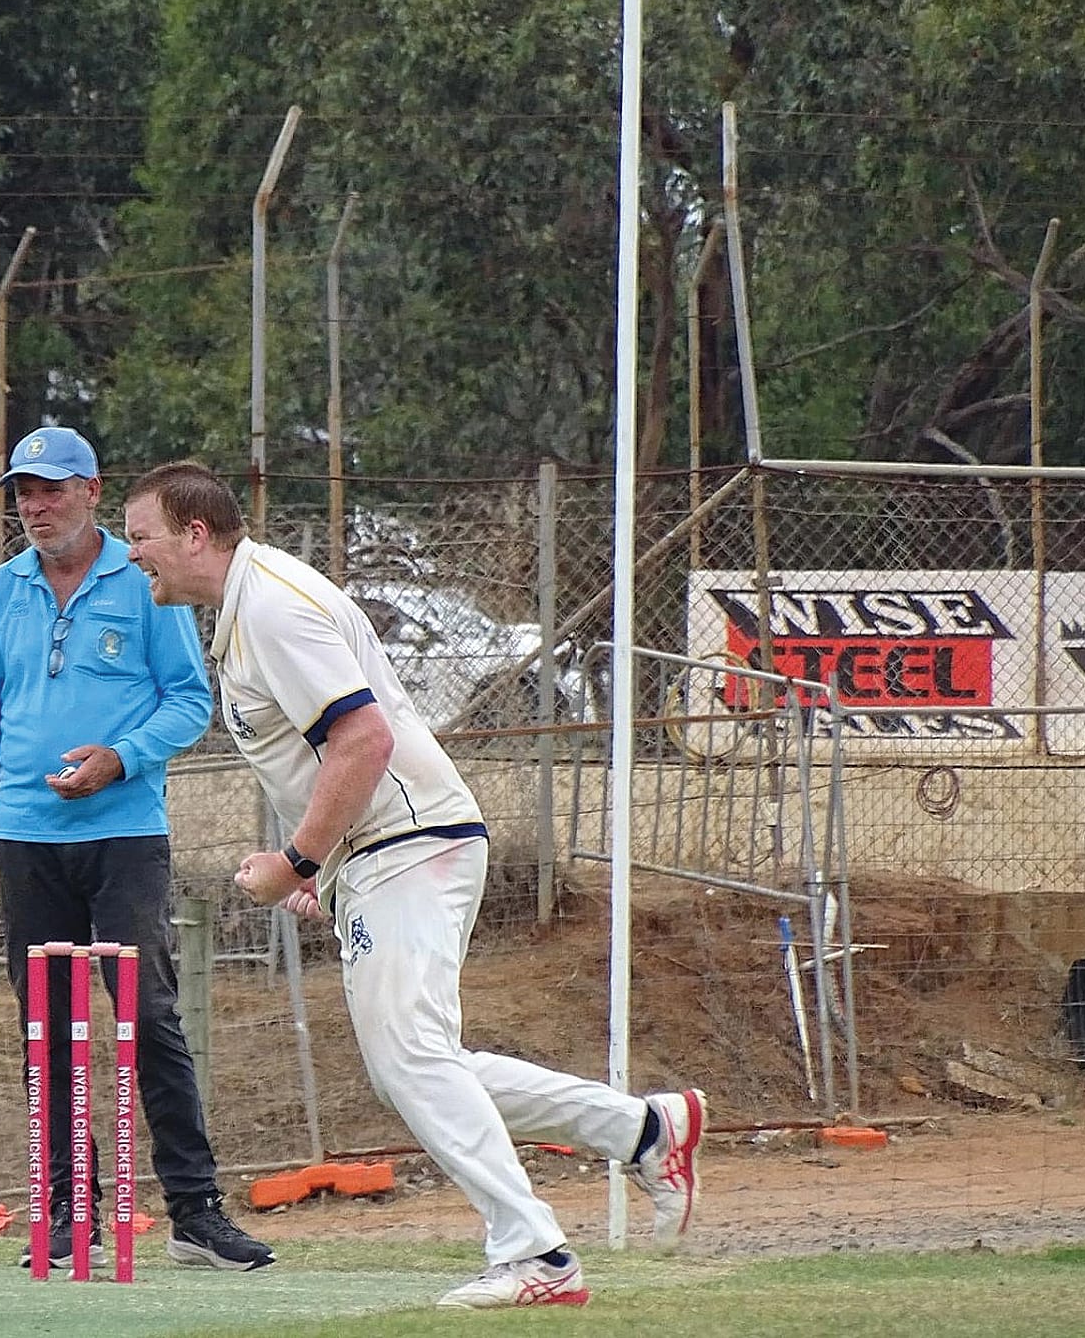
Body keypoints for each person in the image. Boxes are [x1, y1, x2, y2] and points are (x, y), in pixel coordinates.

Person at [122, 461, 705, 1310]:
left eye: (140, 537)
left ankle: (536, 1255)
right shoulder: (251, 605)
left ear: (194, 533)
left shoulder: (273, 605)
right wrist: (324, 855)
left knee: (414, 1058)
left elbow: (363, 741)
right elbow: (337, 753)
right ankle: (642, 1129)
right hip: (384, 849)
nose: (132, 554)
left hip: (412, 842)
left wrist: (298, 859)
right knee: (421, 1062)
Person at [0, 426, 274, 1272]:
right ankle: (65, 1215)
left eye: (51, 489)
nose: (36, 507)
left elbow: (188, 702)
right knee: (44, 1028)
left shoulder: (141, 578)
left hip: (124, 835)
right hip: (24, 835)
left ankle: (194, 1213)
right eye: (23, 493)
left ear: (90, 489)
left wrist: (120, 757)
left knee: (147, 1016)